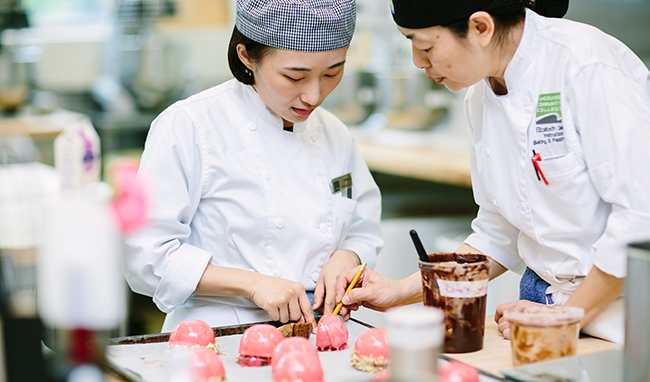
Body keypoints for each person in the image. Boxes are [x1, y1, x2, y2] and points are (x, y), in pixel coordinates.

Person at [335, 0, 650, 345]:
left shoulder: (586, 66)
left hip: (622, 313)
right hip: (542, 306)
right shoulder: (478, 97)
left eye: (425, 46)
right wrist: (401, 290)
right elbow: (498, 234)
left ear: (481, 28)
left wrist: (566, 317)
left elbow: (638, 220)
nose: (417, 62)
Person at [124, 0, 383, 332]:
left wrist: (346, 258)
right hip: (216, 335)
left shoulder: (334, 133)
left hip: (319, 333)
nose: (314, 96)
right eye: (295, 76)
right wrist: (253, 284)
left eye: (332, 72)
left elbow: (364, 228)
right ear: (246, 55)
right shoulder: (191, 125)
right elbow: (145, 256)